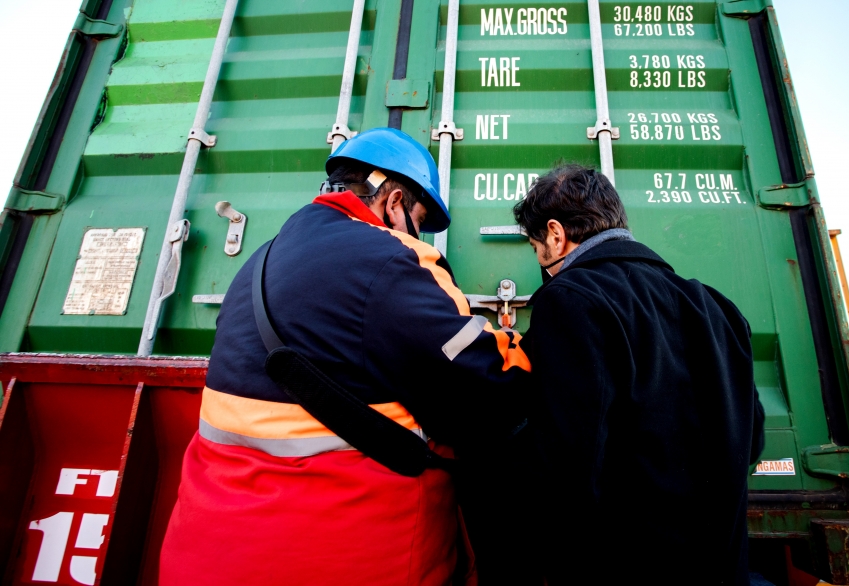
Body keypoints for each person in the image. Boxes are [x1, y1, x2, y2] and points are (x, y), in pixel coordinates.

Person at [159, 128, 530, 585]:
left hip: (201, 556)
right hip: (341, 556)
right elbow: (487, 381)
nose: (420, 235)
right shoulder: (391, 259)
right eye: (418, 217)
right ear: (393, 203)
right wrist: (516, 345)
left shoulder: (259, 261)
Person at [512, 164, 765, 585]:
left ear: (555, 235)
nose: (543, 262)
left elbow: (570, 466)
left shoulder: (570, 300)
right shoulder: (716, 308)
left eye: (537, 247)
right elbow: (750, 439)